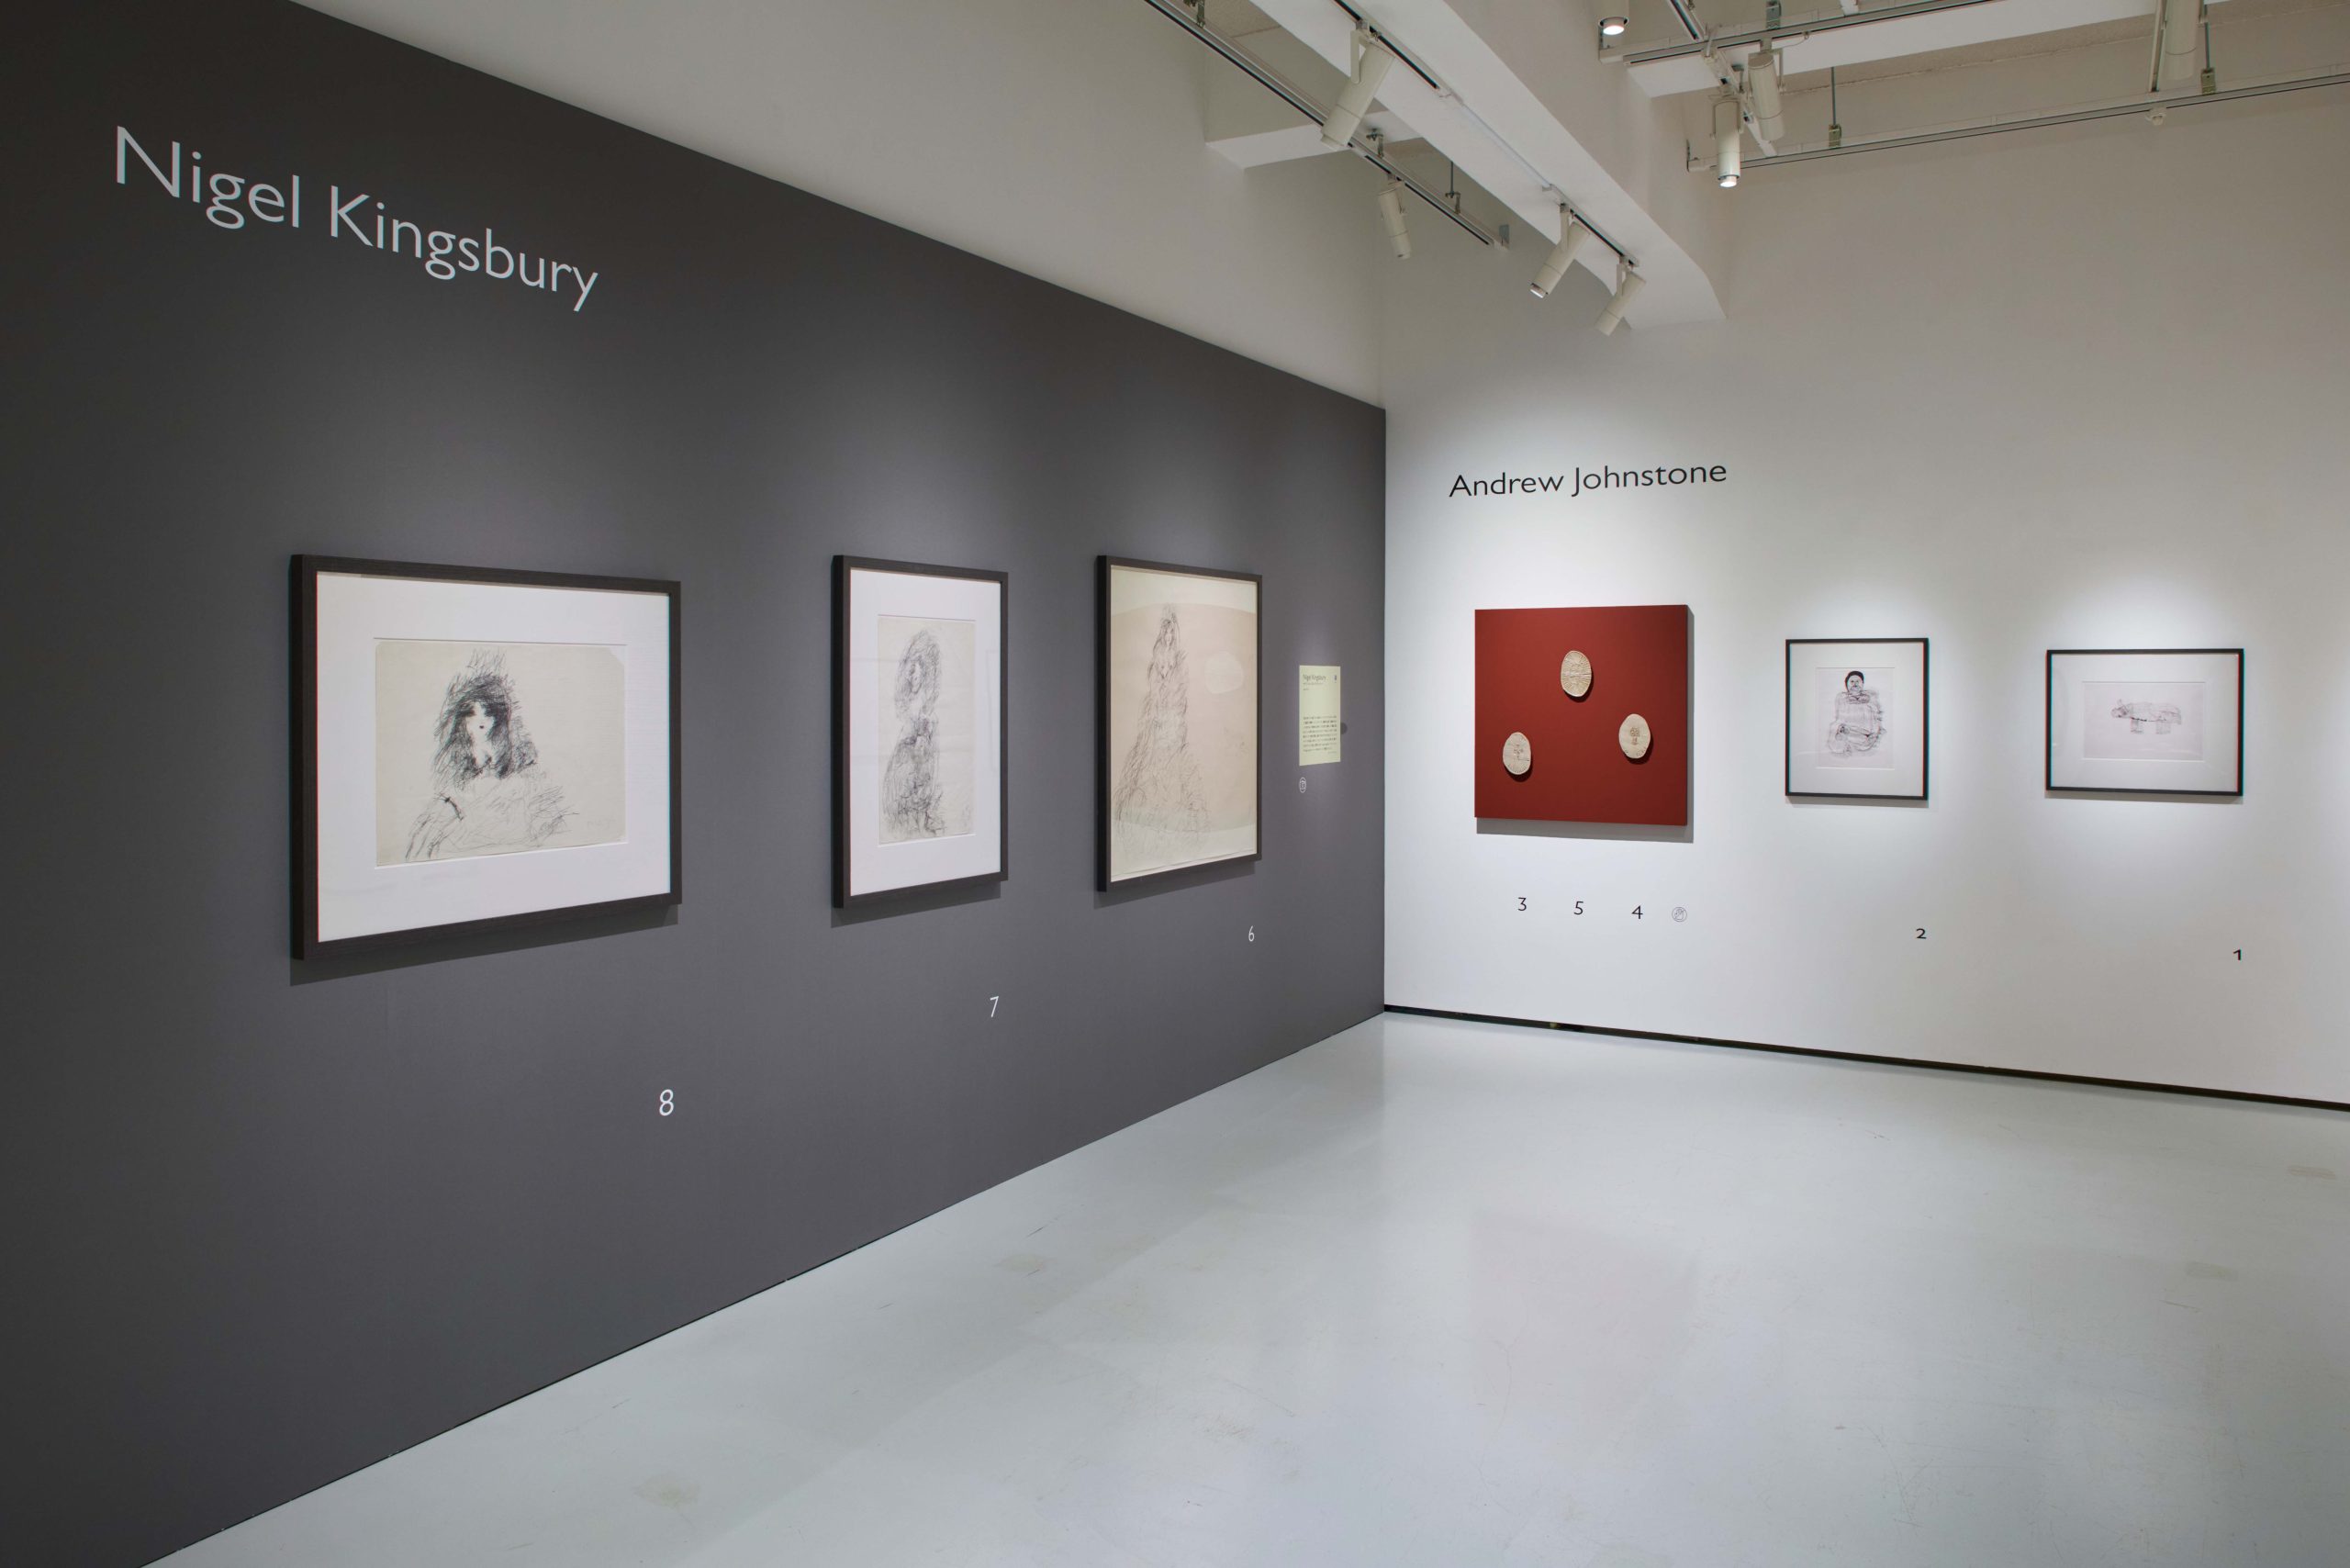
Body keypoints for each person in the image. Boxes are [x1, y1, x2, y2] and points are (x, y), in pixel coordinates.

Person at [405, 653, 572, 860]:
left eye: (489, 723)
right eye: (477, 723)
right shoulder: (452, 797)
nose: (485, 731)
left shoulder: (526, 782)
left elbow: (556, 832)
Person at [1826, 669, 1884, 757]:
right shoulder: (1842, 698)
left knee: (1864, 742)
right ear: (1846, 684)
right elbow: (1840, 718)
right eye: (1852, 681)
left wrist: (1874, 733)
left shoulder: (1870, 698)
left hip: (1865, 733)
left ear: (1862, 683)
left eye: (1858, 681)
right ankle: (1847, 739)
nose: (1855, 684)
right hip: (1849, 730)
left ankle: (1854, 740)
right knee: (1837, 742)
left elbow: (1876, 717)